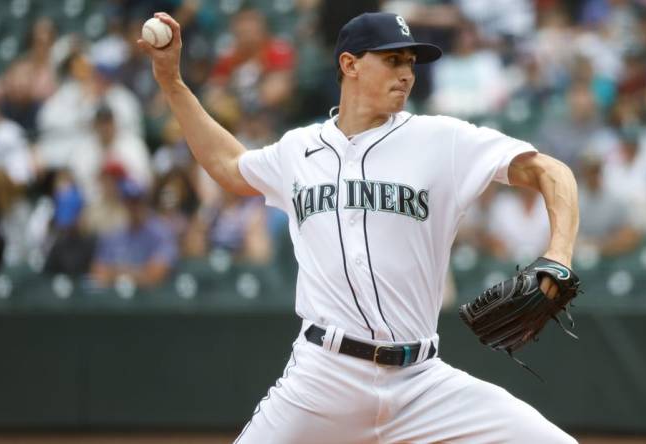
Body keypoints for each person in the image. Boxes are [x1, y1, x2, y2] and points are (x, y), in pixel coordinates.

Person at [139, 11, 579, 443]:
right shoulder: (299, 149)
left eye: (410, 62)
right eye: (392, 60)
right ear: (349, 64)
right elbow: (229, 166)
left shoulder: (442, 140)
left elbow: (550, 171)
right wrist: (172, 83)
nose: (407, 73)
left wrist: (558, 254)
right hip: (324, 378)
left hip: (421, 383)